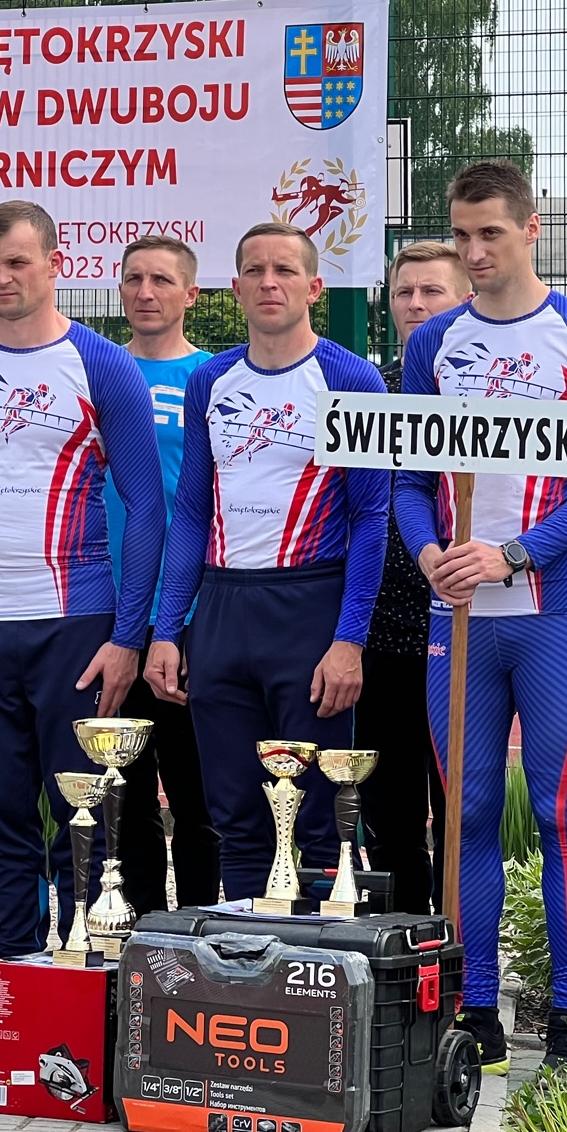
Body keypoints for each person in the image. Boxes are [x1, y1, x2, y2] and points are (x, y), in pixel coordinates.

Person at [0, 200, 162, 1049]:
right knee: (1, 810)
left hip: (78, 622)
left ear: (57, 263)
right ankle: (17, 980)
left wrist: (128, 635)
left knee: (83, 811)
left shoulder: (102, 364)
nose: (2, 279)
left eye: (17, 262)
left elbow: (148, 506)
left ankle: (86, 980)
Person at [394, 160, 567, 1071]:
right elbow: (410, 481)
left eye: (490, 232)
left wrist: (515, 553)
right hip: (457, 618)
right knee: (469, 810)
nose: (474, 250)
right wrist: (430, 557)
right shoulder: (433, 341)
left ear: (532, 229)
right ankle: (478, 1005)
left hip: (550, 611)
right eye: (462, 235)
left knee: (562, 809)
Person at [144, 223, 387, 902]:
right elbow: (192, 513)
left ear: (314, 287)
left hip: (310, 607)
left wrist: (349, 639)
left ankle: (321, 955)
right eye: (255, 270)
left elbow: (371, 518)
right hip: (223, 611)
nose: (269, 282)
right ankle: (250, 954)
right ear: (235, 287)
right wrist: (168, 629)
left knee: (319, 816)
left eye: (285, 270)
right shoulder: (211, 380)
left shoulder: (349, 377)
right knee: (237, 813)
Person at [106, 234, 219, 915]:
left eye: (161, 281)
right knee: (121, 794)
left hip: (187, 613)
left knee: (196, 793)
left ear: (191, 294)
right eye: (134, 280)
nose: (145, 293)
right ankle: (139, 935)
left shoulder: (211, 378)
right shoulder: (95, 372)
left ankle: (199, 932)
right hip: (104, 610)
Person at [356, 241, 469, 913]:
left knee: (463, 806)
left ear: (466, 300)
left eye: (433, 292)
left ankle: (462, 948)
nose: (417, 305)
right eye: (405, 292)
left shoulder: (493, 397)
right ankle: (400, 944)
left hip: (467, 627)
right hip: (381, 632)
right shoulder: (370, 394)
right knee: (389, 807)